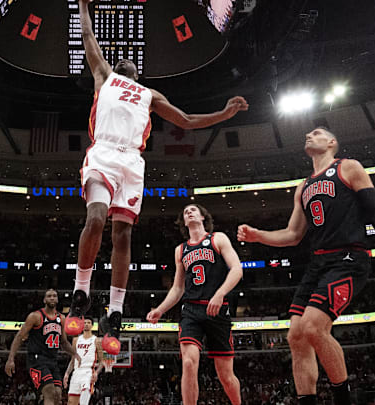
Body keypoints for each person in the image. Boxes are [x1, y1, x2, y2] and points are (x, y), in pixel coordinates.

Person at [67, 0, 250, 356]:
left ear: (138, 73)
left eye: (129, 64)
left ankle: (116, 312)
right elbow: (88, 36)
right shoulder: (104, 76)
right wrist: (83, 6)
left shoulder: (149, 95)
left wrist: (224, 114)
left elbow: (185, 120)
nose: (124, 63)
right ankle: (81, 293)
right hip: (104, 151)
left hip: (133, 161)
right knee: (96, 218)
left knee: (123, 235)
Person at [237, 127, 375, 405]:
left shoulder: (349, 167)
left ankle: (343, 399)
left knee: (313, 328)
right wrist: (259, 235)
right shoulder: (303, 186)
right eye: (307, 133)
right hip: (317, 263)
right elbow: (292, 235)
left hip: (349, 259)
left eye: (317, 132)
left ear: (332, 142)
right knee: (295, 335)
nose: (309, 135)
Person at [147, 204, 242, 405]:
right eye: (185, 212)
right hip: (191, 310)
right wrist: (160, 309)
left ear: (202, 216)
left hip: (217, 308)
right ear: (183, 221)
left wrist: (220, 293)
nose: (189, 212)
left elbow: (236, 269)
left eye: (193, 210)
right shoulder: (180, 250)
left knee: (225, 375)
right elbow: (177, 288)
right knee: (189, 363)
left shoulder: (218, 239)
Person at [5, 289, 81, 405]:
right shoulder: (35, 316)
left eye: (54, 296)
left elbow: (64, 342)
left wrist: (75, 354)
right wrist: (11, 359)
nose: (52, 298)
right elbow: (19, 337)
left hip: (52, 360)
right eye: (49, 296)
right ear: (44, 300)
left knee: (57, 394)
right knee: (49, 391)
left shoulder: (62, 318)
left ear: (57, 299)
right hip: (36, 359)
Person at [64, 317, 103, 405]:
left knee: (83, 401)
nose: (86, 324)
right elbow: (73, 359)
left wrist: (96, 372)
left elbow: (101, 362)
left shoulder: (96, 340)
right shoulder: (76, 340)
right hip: (76, 372)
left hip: (88, 371)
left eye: (88, 323)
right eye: (84, 323)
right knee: (71, 402)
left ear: (92, 325)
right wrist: (67, 373)